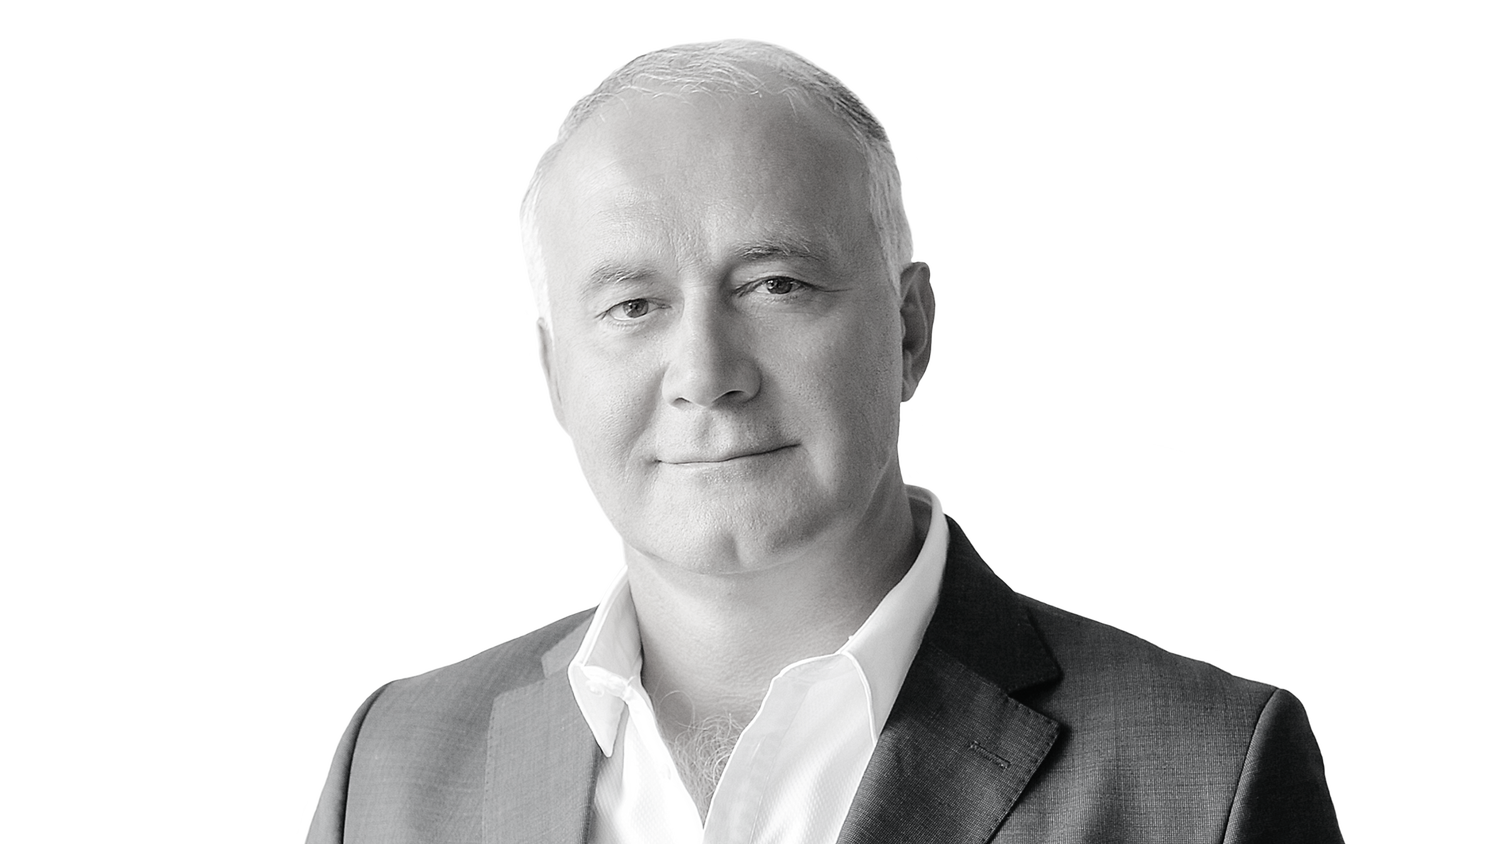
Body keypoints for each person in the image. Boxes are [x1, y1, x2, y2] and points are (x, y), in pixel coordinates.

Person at [304, 36, 1344, 843]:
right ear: (548, 374)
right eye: (633, 306)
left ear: (912, 331)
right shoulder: (391, 761)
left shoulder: (1207, 778)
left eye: (776, 285)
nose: (706, 372)